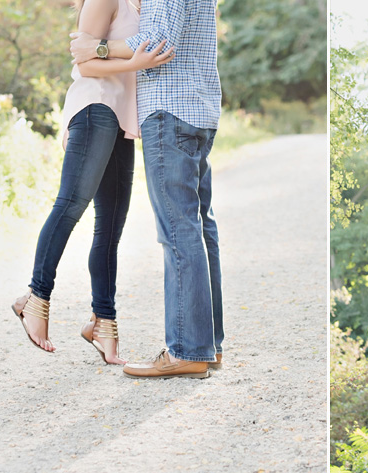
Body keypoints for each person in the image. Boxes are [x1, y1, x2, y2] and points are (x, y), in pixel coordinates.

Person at [12, 0, 173, 365]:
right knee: (70, 205)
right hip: (95, 108)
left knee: (111, 227)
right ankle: (36, 298)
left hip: (120, 120)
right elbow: (85, 64)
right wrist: (136, 63)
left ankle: (103, 322)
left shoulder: (144, 5)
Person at [70, 0, 223, 380]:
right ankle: (208, 345)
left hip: (169, 112)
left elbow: (157, 42)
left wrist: (97, 48)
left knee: (178, 231)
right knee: (201, 229)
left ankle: (188, 350)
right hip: (200, 109)